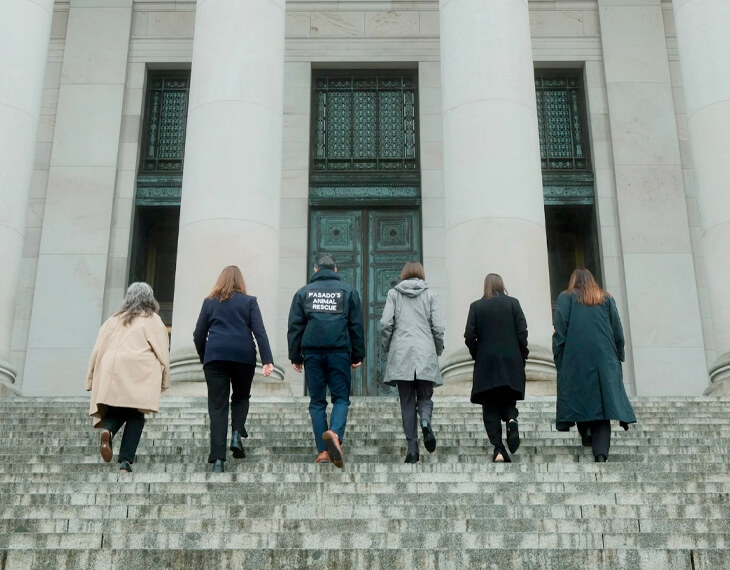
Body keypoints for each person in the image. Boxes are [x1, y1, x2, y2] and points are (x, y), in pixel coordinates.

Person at [287, 253, 365, 468]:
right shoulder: (348, 291)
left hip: (312, 353)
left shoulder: (303, 293)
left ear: (315, 270)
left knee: (317, 402)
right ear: (335, 269)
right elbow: (356, 325)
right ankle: (335, 434)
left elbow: (295, 327)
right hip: (339, 351)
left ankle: (322, 451)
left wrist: (295, 356)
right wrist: (358, 355)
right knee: (340, 398)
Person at [194, 266, 274, 473]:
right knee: (240, 397)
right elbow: (260, 332)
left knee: (218, 407)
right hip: (243, 355)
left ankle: (218, 460)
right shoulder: (249, 302)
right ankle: (237, 433)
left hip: (216, 356)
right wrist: (267, 360)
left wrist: (206, 356)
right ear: (241, 282)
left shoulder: (209, 302)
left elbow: (198, 334)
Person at [552, 268, 636, 462]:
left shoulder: (566, 298)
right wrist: (619, 354)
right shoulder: (605, 298)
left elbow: (560, 330)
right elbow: (617, 330)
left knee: (581, 397)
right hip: (605, 358)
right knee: (602, 404)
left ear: (573, 281)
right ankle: (600, 454)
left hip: (576, 357)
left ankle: (586, 432)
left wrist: (560, 358)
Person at [86, 282, 170, 473]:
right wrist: (165, 379)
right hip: (139, 368)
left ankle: (109, 430)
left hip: (111, 368)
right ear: (150, 298)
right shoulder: (152, 320)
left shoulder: (112, 320)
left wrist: (91, 378)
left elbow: (96, 349)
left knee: (118, 408)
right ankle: (125, 461)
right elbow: (162, 351)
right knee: (136, 415)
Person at [380, 261, 444, 463]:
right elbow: (438, 327)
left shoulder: (394, 294)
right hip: (425, 351)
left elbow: (385, 323)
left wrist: (387, 346)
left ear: (403, 274)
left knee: (407, 402)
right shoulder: (431, 295)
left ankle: (412, 450)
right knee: (425, 396)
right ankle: (425, 421)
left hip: (402, 354)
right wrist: (437, 348)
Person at [464, 273, 528, 463]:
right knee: (508, 398)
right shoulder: (513, 303)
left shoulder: (476, 306)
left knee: (490, 407)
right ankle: (511, 419)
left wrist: (478, 353)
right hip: (511, 361)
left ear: (486, 286)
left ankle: (499, 450)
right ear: (502, 285)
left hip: (487, 363)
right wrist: (521, 355)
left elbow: (469, 336)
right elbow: (522, 332)